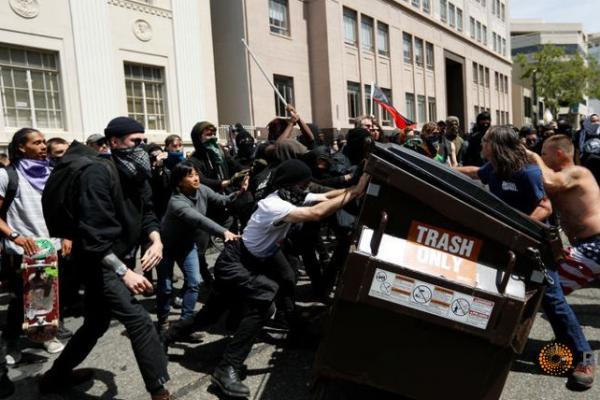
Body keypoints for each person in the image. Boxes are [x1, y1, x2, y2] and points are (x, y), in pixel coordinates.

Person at [164, 159, 369, 398]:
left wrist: (355, 188)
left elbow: (325, 197)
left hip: (247, 261)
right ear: (290, 184)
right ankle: (227, 367)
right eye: (302, 185)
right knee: (264, 299)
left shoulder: (289, 195)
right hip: (236, 262)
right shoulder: (275, 205)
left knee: (210, 314)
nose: (306, 190)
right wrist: (355, 190)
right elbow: (316, 213)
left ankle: (164, 337)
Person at [38, 117, 171, 399]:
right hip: (97, 262)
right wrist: (125, 272)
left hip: (116, 259)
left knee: (96, 323)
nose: (142, 146)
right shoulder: (98, 173)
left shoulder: (136, 173)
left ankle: (55, 376)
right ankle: (159, 391)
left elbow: (147, 212)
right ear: (113, 142)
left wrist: (156, 240)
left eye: (144, 141)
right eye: (135, 141)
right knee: (139, 321)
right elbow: (93, 237)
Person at [528, 134, 599, 389]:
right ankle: (571, 346)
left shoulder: (577, 173)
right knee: (547, 290)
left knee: (548, 289)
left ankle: (583, 358)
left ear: (559, 154)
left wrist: (530, 155)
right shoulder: (562, 178)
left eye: (545, 153)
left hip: (596, 246)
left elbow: (548, 180)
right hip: (585, 247)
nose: (541, 157)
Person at [0, 128, 65, 365]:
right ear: (20, 147)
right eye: (37, 142)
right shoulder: (7, 176)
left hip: (51, 247)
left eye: (44, 142)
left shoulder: (51, 172)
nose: (43, 146)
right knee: (23, 299)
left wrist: (66, 237)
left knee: (48, 293)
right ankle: (11, 341)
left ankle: (45, 335)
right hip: (23, 251)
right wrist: (15, 236)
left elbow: (62, 207)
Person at [156, 161, 244, 332]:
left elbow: (222, 200)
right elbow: (199, 220)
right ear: (179, 181)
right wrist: (224, 232)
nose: (196, 178)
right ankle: (163, 321)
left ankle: (185, 325)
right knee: (165, 287)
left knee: (194, 282)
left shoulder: (202, 189)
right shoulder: (177, 202)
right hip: (166, 247)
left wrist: (240, 192)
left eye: (196, 174)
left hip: (187, 245)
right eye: (190, 176)